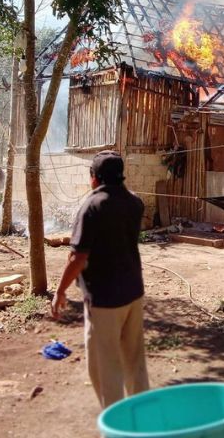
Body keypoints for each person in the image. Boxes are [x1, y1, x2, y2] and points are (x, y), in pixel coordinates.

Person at [51, 150, 149, 409]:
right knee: (135, 361)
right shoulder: (135, 202)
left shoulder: (92, 206)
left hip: (105, 300)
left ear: (94, 178)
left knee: (106, 368)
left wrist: (60, 291)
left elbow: (78, 256)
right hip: (133, 293)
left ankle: (117, 426)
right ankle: (143, 419)